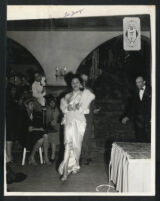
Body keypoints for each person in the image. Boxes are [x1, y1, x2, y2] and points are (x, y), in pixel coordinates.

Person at [58, 75, 95, 181]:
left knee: (77, 146)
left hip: (79, 123)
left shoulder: (84, 95)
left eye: (77, 82)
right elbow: (63, 109)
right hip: (69, 122)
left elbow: (87, 111)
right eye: (73, 82)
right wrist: (67, 108)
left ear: (80, 84)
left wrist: (80, 108)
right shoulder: (66, 96)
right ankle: (65, 172)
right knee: (67, 146)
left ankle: (76, 164)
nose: (75, 84)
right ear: (71, 84)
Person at [18, 98, 49, 165]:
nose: (33, 106)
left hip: (33, 133)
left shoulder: (34, 113)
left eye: (33, 104)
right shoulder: (22, 114)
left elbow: (36, 125)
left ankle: (45, 158)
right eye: (31, 104)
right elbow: (29, 129)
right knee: (41, 139)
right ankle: (32, 156)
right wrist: (39, 129)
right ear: (26, 105)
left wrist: (38, 128)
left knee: (45, 135)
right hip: (24, 136)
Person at [121, 76, 151, 142]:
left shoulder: (151, 91)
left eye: (139, 82)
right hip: (138, 122)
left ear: (144, 82)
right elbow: (133, 107)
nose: (137, 84)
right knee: (140, 141)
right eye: (136, 83)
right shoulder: (135, 93)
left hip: (149, 122)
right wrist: (127, 117)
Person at [45, 96, 60, 162]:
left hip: (57, 127)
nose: (52, 103)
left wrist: (54, 122)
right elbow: (46, 120)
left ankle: (53, 155)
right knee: (49, 134)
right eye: (51, 102)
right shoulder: (47, 109)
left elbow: (57, 119)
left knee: (54, 134)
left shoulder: (58, 109)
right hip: (49, 127)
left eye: (53, 102)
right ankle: (47, 155)